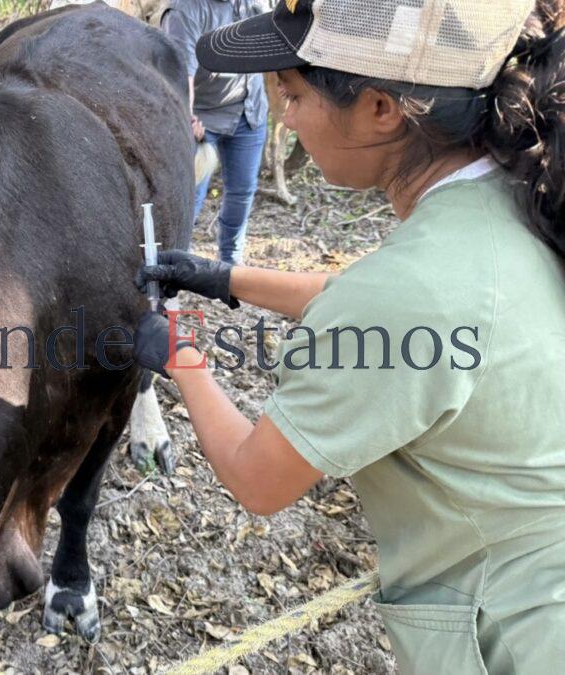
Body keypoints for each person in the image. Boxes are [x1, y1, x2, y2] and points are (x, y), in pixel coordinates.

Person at [133, 0, 565, 672]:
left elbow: (257, 477)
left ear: (380, 109)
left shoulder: (408, 293)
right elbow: (373, 305)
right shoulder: (508, 194)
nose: (285, 117)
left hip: (515, 635)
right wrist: (224, 278)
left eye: (294, 94)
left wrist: (180, 353)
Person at [161, 0, 270, 264]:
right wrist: (186, 119)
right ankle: (175, 262)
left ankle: (230, 261)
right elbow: (180, 76)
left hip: (249, 109)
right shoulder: (184, 11)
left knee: (242, 191)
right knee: (189, 196)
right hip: (202, 117)